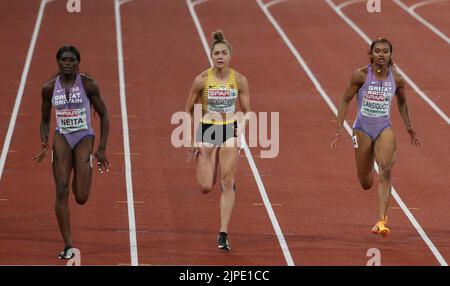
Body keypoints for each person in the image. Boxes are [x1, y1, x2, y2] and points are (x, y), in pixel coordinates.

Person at [331, 38, 420, 237]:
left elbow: (403, 102)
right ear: (371, 54)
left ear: (390, 55)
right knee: (366, 183)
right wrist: (339, 128)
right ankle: (368, 159)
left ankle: (381, 220)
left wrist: (409, 127)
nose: (381, 55)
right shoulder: (360, 76)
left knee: (386, 170)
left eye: (385, 51)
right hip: (362, 128)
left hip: (383, 127)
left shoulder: (396, 79)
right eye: (377, 51)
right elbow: (345, 99)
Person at [33, 45, 110, 258]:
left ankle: (81, 170)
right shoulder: (49, 88)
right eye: (63, 60)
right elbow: (45, 118)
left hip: (84, 136)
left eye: (71, 60)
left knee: (81, 197)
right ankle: (68, 244)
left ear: (78, 62)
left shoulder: (88, 84)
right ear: (58, 62)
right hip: (62, 137)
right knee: (60, 191)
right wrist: (43, 144)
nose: (67, 63)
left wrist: (102, 148)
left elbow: (104, 115)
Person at [185, 31, 250, 251]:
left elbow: (248, 111)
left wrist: (240, 131)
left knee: (227, 181)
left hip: (229, 130)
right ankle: (214, 171)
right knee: (205, 186)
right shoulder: (202, 79)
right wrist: (192, 137)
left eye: (224, 53)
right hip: (208, 130)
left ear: (230, 55)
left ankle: (223, 233)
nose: (220, 56)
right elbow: (188, 109)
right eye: (216, 53)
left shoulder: (239, 80)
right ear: (211, 56)